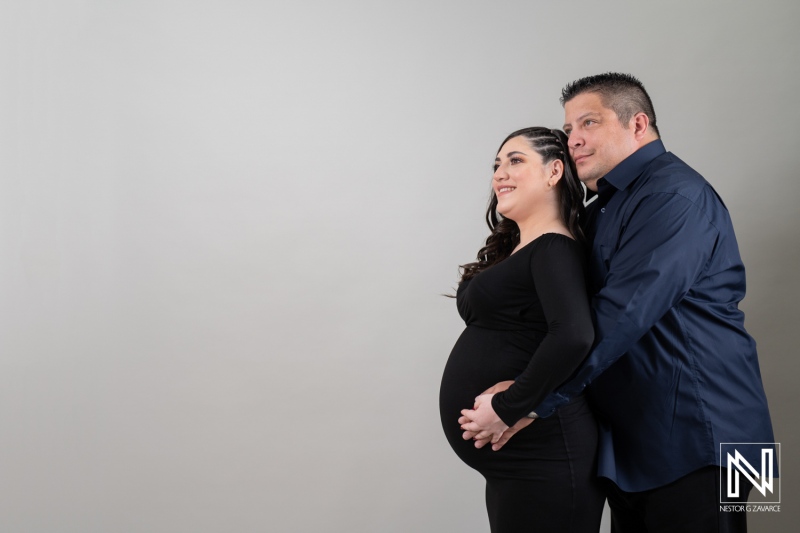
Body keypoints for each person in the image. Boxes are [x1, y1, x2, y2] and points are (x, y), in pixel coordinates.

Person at [462, 73, 776, 533]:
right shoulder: (606, 207)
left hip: (713, 435)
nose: (574, 140)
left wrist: (524, 401)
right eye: (568, 130)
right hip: (647, 441)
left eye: (589, 123)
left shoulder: (675, 196)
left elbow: (622, 316)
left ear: (638, 124)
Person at [439, 127, 606, 533]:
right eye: (497, 164)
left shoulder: (554, 247)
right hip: (517, 463)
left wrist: (509, 405)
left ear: (554, 172)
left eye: (515, 160)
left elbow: (573, 335)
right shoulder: (523, 248)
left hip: (545, 456)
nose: (499, 173)